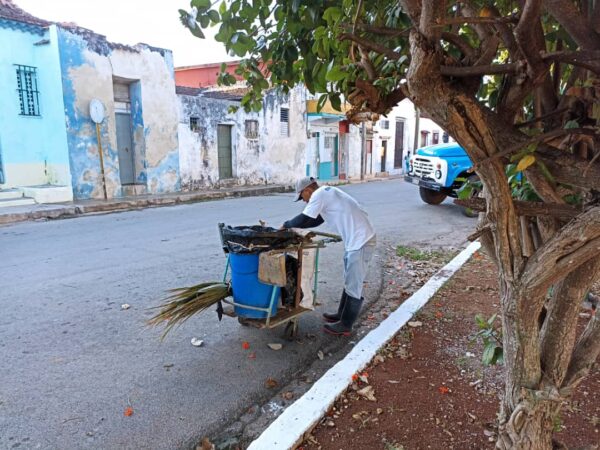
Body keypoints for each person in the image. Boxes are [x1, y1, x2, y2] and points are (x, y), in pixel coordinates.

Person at [282, 177, 376, 336]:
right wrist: (294, 225)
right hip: (355, 241)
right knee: (349, 279)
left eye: (301, 197)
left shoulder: (319, 194)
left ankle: (346, 325)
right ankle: (341, 315)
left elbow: (306, 218)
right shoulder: (327, 193)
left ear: (307, 190)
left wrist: (286, 224)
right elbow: (315, 220)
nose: (303, 201)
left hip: (361, 241)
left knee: (354, 284)